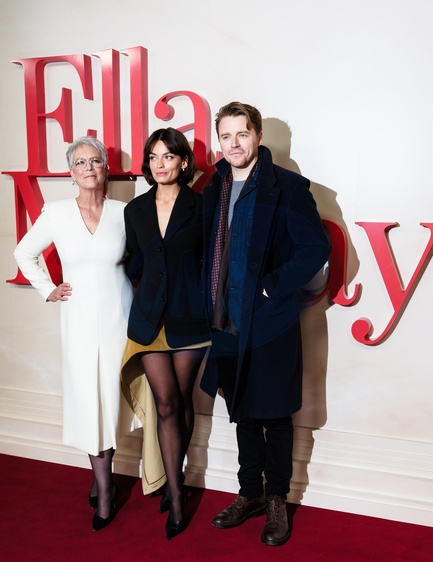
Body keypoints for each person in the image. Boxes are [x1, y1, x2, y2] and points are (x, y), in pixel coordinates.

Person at [200, 102, 330, 546]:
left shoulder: (288, 187)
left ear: (257, 136)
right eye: (226, 136)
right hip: (224, 319)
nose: (234, 143)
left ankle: (277, 499)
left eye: (242, 134)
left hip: (269, 322)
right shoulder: (214, 187)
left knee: (274, 413)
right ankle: (249, 493)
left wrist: (274, 286)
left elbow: (314, 248)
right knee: (241, 411)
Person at [14, 136, 134, 532]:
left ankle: (103, 479)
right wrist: (47, 288)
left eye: (95, 161)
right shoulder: (57, 213)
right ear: (71, 172)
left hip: (120, 319)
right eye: (80, 162)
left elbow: (143, 260)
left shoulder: (123, 213)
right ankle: (105, 490)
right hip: (78, 320)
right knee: (88, 402)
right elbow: (23, 253)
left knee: (111, 402)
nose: (88, 168)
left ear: (105, 169)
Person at [121, 127, 210, 540]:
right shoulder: (135, 210)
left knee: (183, 400)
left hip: (190, 320)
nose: (160, 164)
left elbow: (212, 262)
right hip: (149, 321)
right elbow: (132, 259)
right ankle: (176, 495)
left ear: (183, 162)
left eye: (168, 156)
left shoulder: (202, 206)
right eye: (153, 157)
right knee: (167, 403)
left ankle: (177, 477)